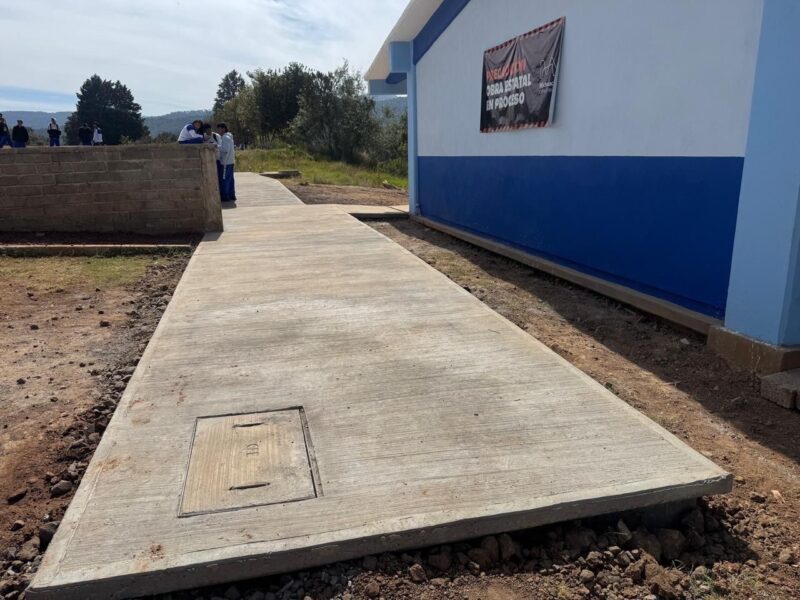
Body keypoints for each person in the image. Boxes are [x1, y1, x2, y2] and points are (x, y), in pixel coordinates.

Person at [217, 123, 236, 202]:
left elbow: (225, 149)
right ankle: (232, 195)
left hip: (225, 162)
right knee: (230, 179)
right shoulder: (230, 137)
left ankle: (225, 196)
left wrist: (216, 146)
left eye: (219, 129)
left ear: (223, 129)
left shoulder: (225, 137)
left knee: (224, 179)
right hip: (230, 161)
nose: (218, 131)